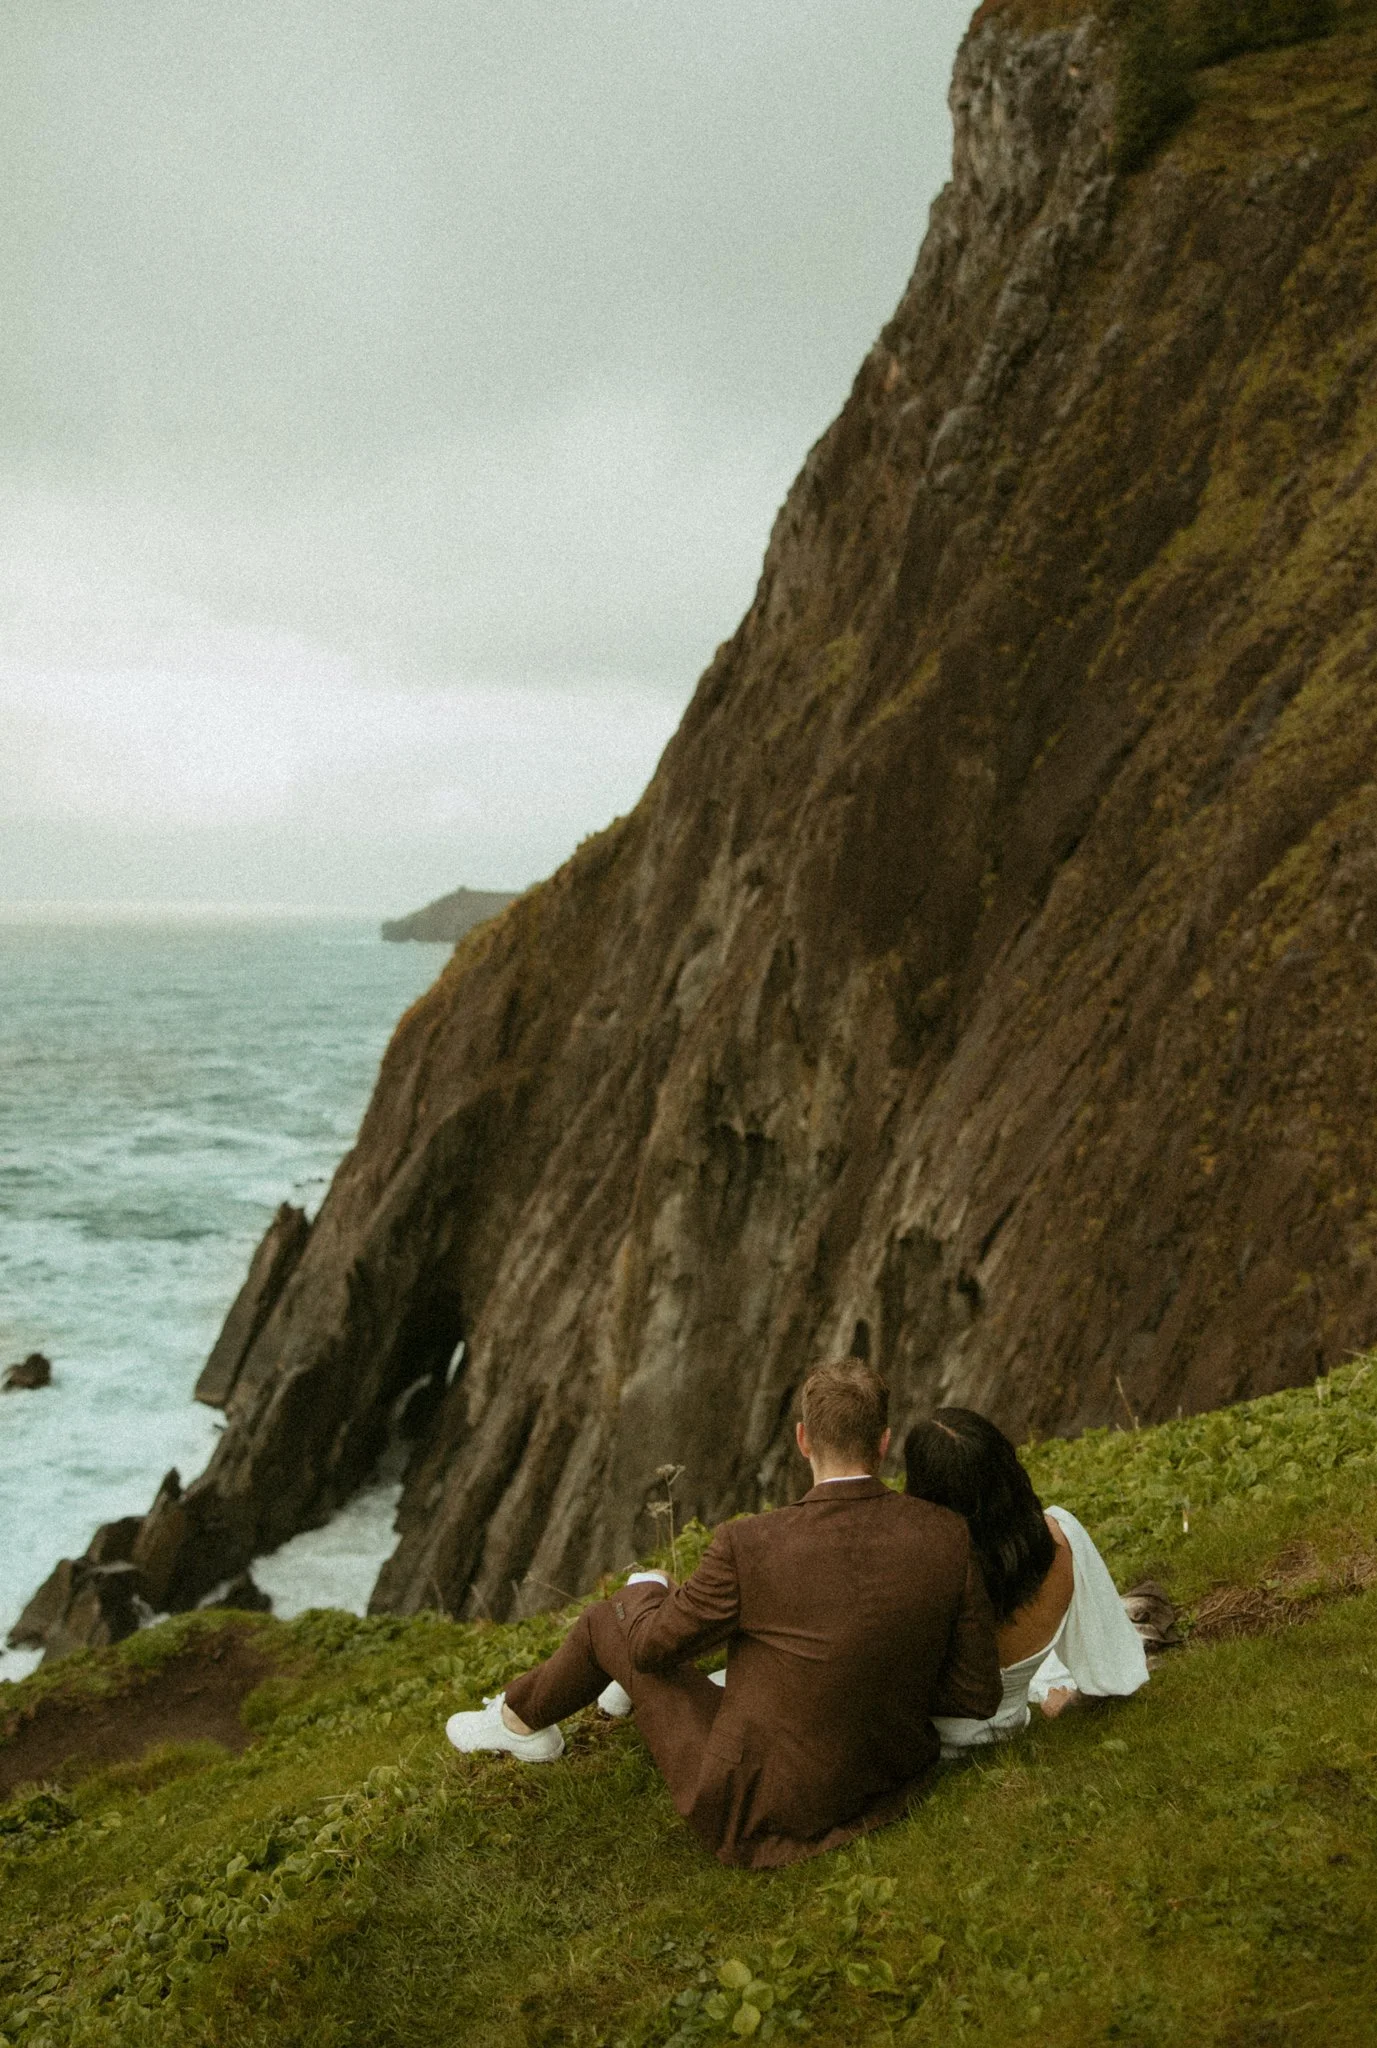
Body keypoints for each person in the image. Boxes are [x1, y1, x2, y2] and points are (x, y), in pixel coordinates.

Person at [443, 1359, 1001, 1869]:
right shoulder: (947, 1534)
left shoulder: (751, 1544)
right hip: (892, 1784)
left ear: (803, 1440)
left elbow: (651, 1648)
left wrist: (648, 1590)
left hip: (767, 1811)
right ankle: (588, 1696)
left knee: (609, 1620)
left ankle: (519, 1724)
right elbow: (976, 1694)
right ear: (882, 1444)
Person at [902, 1408, 1148, 1755]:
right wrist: (1068, 1704)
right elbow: (1111, 1668)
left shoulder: (908, 1571)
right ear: (1006, 1470)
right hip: (1006, 1730)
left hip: (926, 1745)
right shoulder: (1061, 1542)